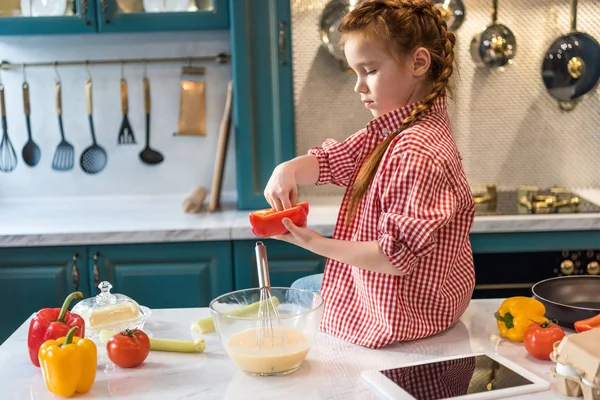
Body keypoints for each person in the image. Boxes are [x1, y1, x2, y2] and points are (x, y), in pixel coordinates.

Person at [263, 0, 475, 349]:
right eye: (355, 73)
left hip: (401, 315)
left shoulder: (415, 151)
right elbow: (341, 158)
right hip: (421, 304)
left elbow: (394, 257)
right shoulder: (401, 127)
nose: (358, 87)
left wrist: (313, 242)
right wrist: (287, 169)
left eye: (370, 70)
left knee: (299, 295)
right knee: (304, 289)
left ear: (419, 62)